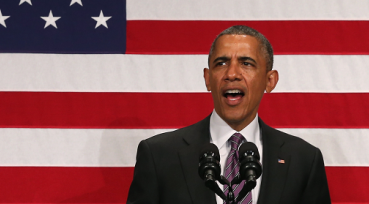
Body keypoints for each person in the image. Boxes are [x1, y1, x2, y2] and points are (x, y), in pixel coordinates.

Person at [127, 25, 331, 204]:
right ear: (208, 79)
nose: (231, 74)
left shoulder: (304, 160)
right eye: (221, 63)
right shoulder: (159, 156)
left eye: (246, 63)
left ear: (270, 81)